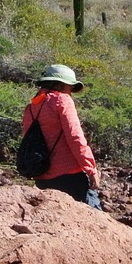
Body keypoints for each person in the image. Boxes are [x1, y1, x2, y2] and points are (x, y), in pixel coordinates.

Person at [22, 64, 101, 205]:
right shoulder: (62, 101)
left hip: (42, 175)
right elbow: (75, 137)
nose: (70, 91)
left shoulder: (31, 107)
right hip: (69, 175)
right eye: (70, 87)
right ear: (62, 85)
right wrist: (90, 168)